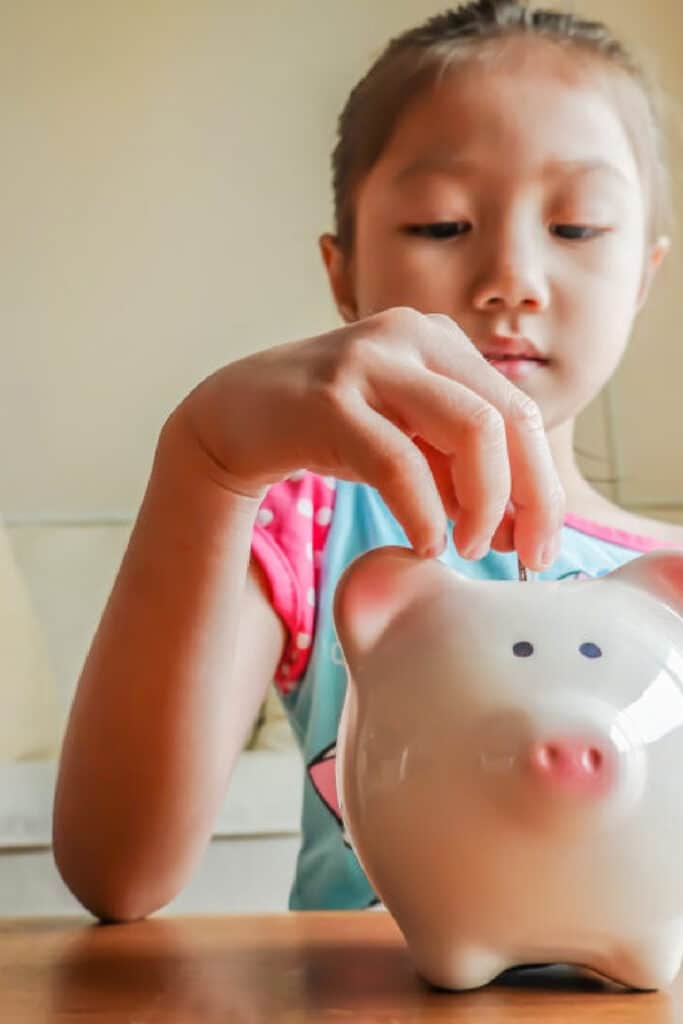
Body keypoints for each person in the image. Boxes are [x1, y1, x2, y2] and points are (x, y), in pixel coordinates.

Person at [52, 0, 683, 921]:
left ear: (643, 278)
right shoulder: (304, 522)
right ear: (342, 273)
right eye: (438, 225)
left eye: (577, 227)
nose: (510, 276)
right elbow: (116, 875)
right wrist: (205, 461)